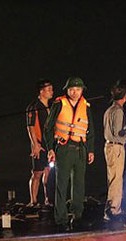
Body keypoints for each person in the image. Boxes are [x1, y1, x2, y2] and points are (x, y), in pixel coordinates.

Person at [43, 77, 95, 231]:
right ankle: (61, 219)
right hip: (63, 148)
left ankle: (77, 217)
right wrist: (51, 148)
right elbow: (48, 127)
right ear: (67, 90)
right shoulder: (59, 104)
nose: (75, 92)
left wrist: (90, 149)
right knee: (62, 184)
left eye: (78, 89)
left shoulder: (86, 106)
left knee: (79, 185)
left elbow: (90, 129)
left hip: (80, 148)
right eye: (72, 89)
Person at [103, 80, 126, 221]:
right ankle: (114, 210)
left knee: (111, 178)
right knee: (116, 179)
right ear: (125, 96)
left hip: (108, 146)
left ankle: (110, 208)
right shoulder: (118, 111)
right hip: (116, 147)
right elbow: (119, 132)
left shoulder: (109, 110)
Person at [25, 78, 54, 207]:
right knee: (37, 172)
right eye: (48, 90)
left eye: (51, 89)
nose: (51, 92)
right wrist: (35, 144)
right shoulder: (34, 107)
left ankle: (48, 199)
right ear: (41, 91)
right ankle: (33, 200)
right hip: (39, 144)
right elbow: (30, 126)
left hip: (49, 145)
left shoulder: (50, 107)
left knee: (48, 171)